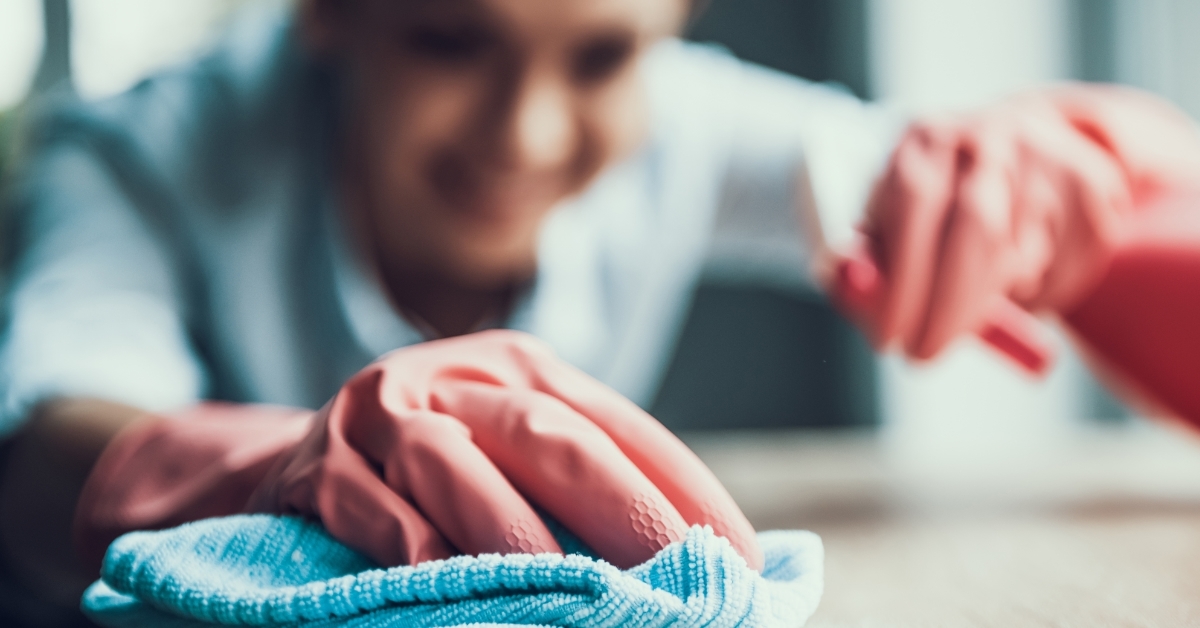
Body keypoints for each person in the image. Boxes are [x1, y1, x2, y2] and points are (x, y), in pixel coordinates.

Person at [2, 0, 1200, 623]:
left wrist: (1081, 180)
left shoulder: (679, 118)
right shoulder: (141, 153)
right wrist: (283, 467)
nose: (526, 133)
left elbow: (992, 201)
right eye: (449, 39)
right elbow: (38, 454)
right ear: (334, 11)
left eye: (602, 58)